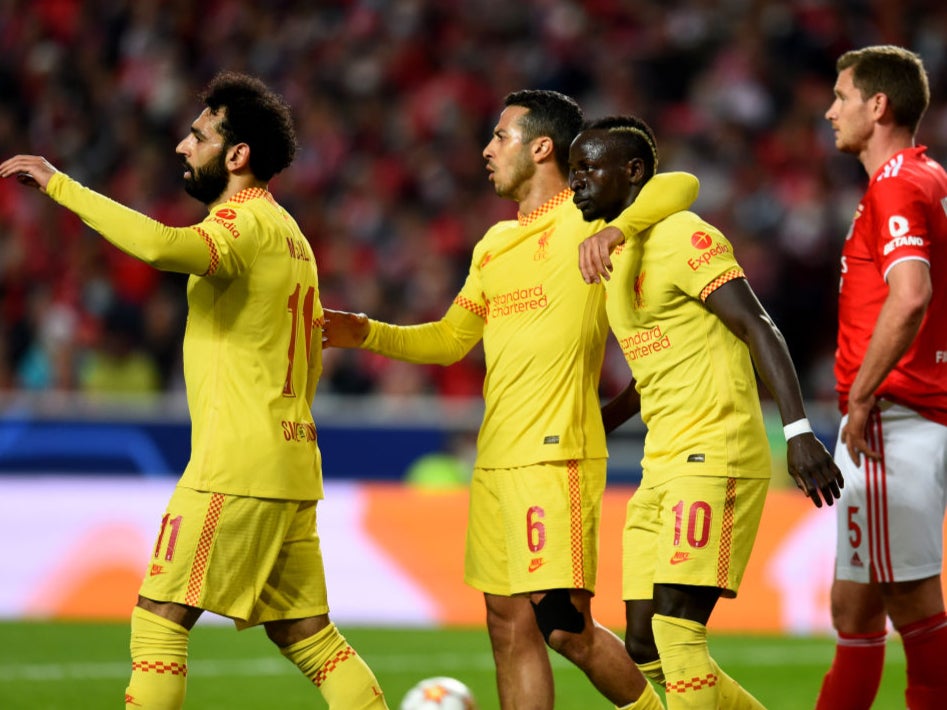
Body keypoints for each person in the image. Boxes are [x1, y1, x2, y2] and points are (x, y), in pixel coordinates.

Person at [0, 72, 388, 710]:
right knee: (309, 636)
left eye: (199, 136)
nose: (183, 146)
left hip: (236, 463)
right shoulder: (292, 235)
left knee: (159, 618)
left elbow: (160, 246)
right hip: (289, 461)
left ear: (237, 156)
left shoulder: (244, 222)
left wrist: (58, 183)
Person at [324, 89, 698, 710]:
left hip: (557, 456)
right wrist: (367, 332)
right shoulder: (493, 243)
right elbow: (449, 339)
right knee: (507, 624)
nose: (486, 150)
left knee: (565, 627)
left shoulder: (592, 217)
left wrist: (619, 230)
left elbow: (681, 185)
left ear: (541, 147)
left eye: (500, 137)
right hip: (496, 460)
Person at [571, 115, 844, 708]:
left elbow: (758, 325)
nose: (579, 184)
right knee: (643, 646)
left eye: (591, 169)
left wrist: (799, 432)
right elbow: (651, 375)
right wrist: (592, 426)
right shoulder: (614, 259)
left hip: (715, 452)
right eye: (573, 173)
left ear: (634, 172)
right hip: (660, 464)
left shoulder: (685, 234)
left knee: (676, 629)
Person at [814, 45, 947, 710]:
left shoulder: (896, 183)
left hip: (891, 417)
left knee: (911, 602)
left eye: (840, 97)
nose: (829, 110)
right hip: (900, 413)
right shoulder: (926, 178)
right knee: (854, 605)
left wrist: (862, 396)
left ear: (877, 106)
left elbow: (910, 294)